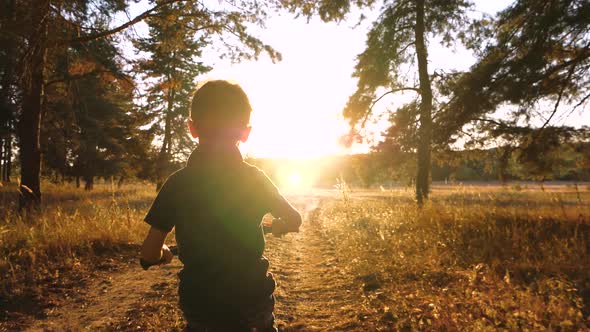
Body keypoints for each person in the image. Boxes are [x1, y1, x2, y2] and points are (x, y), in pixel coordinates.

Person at [140, 80, 302, 332]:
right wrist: (278, 225)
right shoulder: (255, 179)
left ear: (192, 129)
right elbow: (294, 219)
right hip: (250, 296)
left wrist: (164, 254)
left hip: (201, 301)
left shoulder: (178, 183)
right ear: (245, 133)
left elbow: (149, 253)